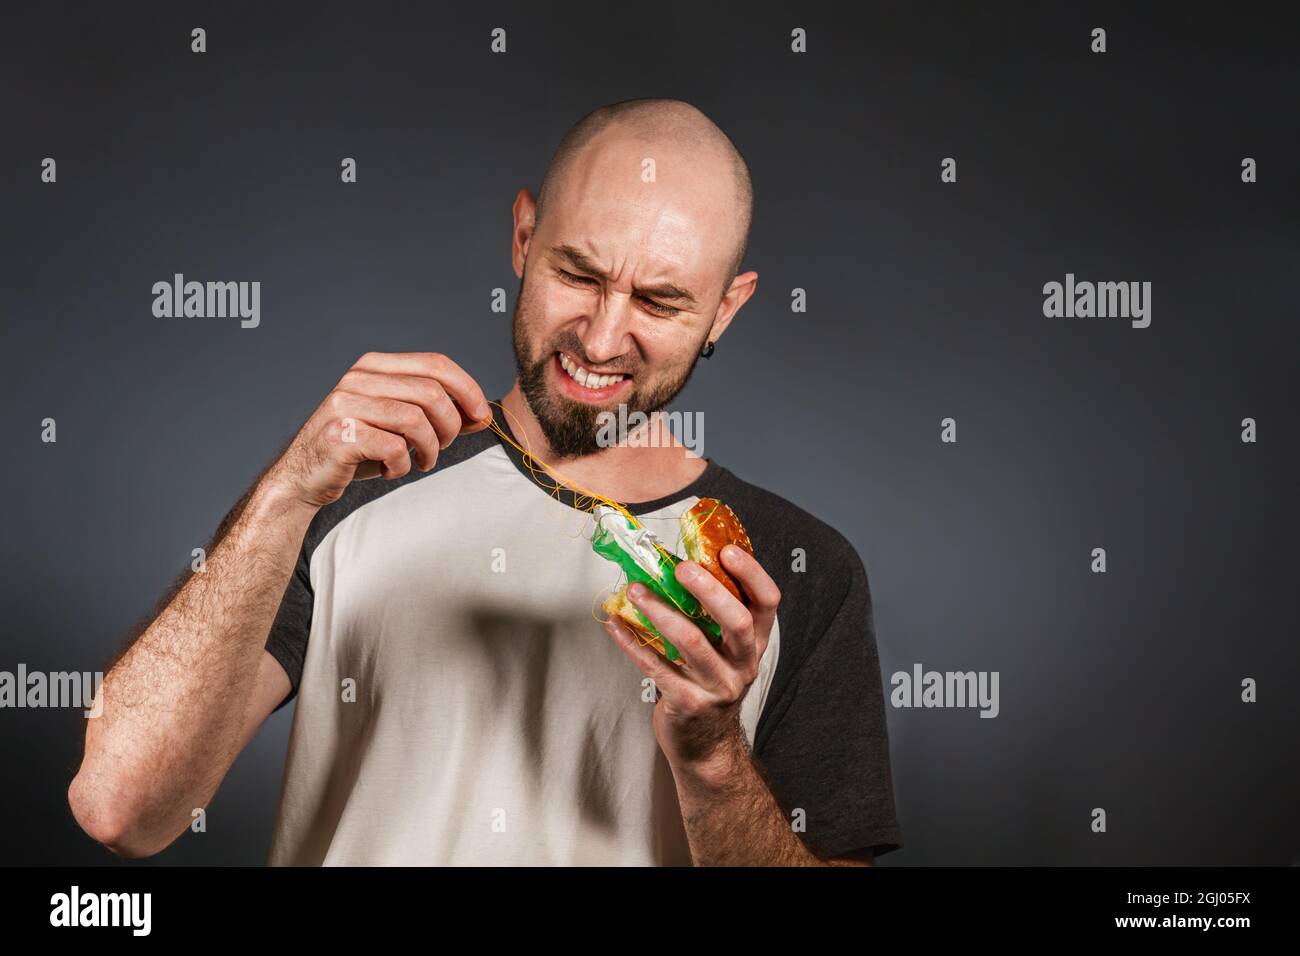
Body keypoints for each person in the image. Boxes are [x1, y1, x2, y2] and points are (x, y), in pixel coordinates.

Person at [68, 98, 902, 865]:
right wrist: (285, 493)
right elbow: (120, 807)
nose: (604, 339)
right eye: (578, 275)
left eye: (658, 302)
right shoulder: (361, 484)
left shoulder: (798, 570)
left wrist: (714, 755)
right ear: (523, 237)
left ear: (725, 309)